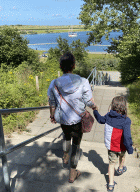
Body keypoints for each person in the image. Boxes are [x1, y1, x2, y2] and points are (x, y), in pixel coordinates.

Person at [47, 52, 97, 183]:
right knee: (76, 144)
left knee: (66, 134)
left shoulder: (54, 83)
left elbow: (52, 102)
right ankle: (72, 173)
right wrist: (95, 107)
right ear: (73, 66)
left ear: (60, 66)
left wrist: (52, 115)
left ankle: (65, 155)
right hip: (78, 119)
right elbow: (89, 101)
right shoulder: (83, 81)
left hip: (63, 118)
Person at [92, 96, 133, 192]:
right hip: (121, 146)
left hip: (111, 146)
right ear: (124, 107)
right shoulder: (126, 120)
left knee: (111, 164)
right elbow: (127, 137)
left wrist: (95, 111)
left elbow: (100, 120)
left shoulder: (108, 116)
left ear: (112, 106)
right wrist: (129, 148)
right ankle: (121, 168)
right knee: (122, 157)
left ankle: (110, 184)